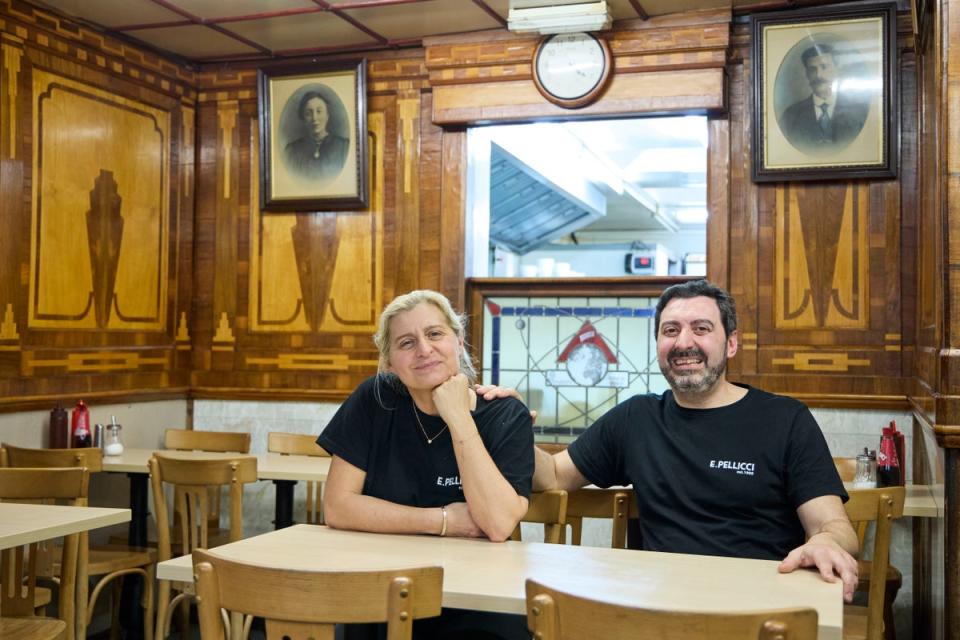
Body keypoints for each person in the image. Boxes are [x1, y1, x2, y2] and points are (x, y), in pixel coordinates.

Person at [511, 280, 860, 602]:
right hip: (660, 610)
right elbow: (554, 475)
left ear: (732, 343)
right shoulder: (636, 418)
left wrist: (826, 542)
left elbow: (834, 526)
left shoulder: (785, 420)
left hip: (759, 608)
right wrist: (507, 425)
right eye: (670, 330)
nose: (683, 343)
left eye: (701, 329)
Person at [318, 289, 533, 640]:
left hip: (478, 600)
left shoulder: (507, 414)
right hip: (381, 588)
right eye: (406, 342)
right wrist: (445, 520)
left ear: (459, 343)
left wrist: (458, 417)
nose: (424, 349)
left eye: (435, 334)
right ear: (389, 362)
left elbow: (496, 524)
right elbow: (338, 507)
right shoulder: (374, 400)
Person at [778, 42, 870, 154]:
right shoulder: (790, 117)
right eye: (812, 69)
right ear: (807, 74)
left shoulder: (860, 113)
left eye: (824, 67)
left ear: (837, 70)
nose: (818, 75)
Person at [284, 91, 350, 181]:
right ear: (303, 119)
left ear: (327, 116)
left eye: (319, 111)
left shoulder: (344, 147)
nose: (314, 118)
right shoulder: (291, 152)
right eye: (308, 113)